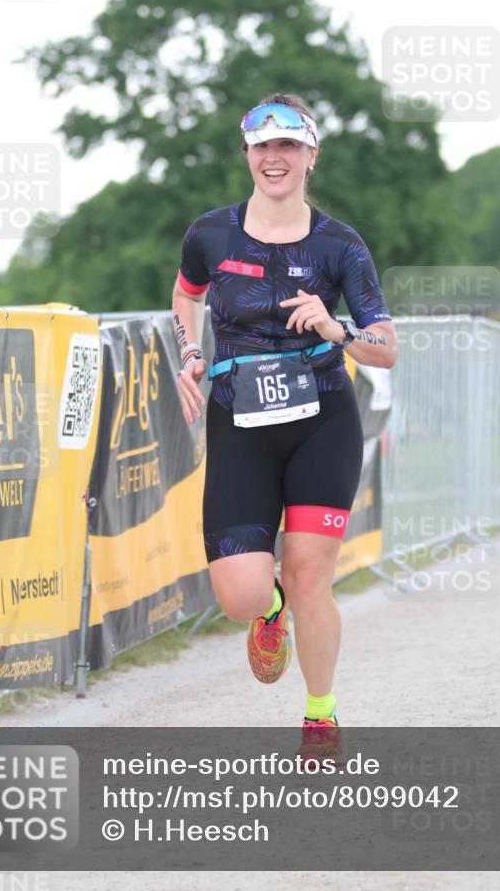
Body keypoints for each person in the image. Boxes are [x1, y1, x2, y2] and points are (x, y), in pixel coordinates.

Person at [172, 93, 397, 759]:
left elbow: (384, 344)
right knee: (241, 594)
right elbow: (187, 294)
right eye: (263, 147)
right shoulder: (210, 234)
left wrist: (338, 328)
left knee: (308, 574)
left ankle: (320, 716)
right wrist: (189, 351)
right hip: (239, 419)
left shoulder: (339, 245)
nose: (275, 159)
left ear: (310, 156)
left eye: (289, 147)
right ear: (247, 154)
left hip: (322, 419)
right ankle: (268, 614)